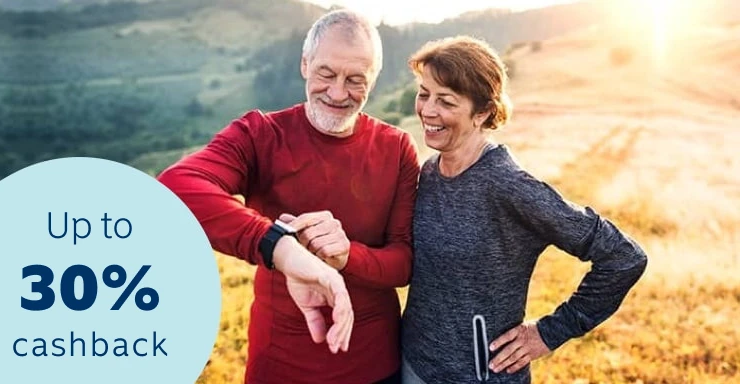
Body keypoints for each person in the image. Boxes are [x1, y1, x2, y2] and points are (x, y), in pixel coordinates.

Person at [157, 9, 419, 384]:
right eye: (326, 74)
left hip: (376, 366)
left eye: (355, 80)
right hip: (280, 367)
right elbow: (177, 186)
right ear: (304, 64)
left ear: (373, 80)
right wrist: (281, 247)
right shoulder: (260, 134)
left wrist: (347, 256)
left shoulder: (396, 148)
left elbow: (404, 262)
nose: (338, 92)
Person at [400, 36, 648, 384]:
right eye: (424, 93)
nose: (427, 109)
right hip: (412, 364)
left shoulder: (509, 186)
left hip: (480, 377)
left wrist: (549, 332)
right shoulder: (429, 172)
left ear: (482, 112)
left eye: (446, 101)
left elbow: (623, 257)